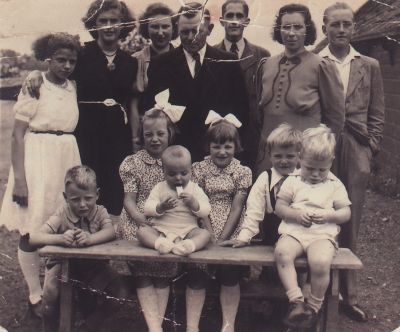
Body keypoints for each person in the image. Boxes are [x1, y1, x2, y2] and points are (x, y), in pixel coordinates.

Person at [24, 0, 138, 216]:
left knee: (115, 186)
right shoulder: (82, 54)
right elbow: (56, 72)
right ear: (93, 25)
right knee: (85, 187)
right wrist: (35, 73)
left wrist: (133, 138)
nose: (108, 26)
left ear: (124, 24)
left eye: (114, 21)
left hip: (117, 134)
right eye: (102, 21)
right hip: (86, 130)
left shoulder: (130, 61)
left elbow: (132, 101)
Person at [0, 33, 81, 318]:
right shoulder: (35, 85)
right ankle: (35, 295)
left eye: (72, 60)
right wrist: (19, 180)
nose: (67, 65)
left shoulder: (72, 86)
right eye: (60, 59)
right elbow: (17, 135)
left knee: (61, 225)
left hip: (66, 156)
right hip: (38, 159)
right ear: (48, 60)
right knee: (32, 228)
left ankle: (56, 291)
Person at [319, 2, 385, 322]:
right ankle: (318, 292)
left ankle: (349, 295)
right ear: (325, 29)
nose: (341, 30)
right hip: (325, 147)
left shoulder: (369, 64)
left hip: (356, 146)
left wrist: (370, 146)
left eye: (347, 24)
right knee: (322, 215)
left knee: (351, 221)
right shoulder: (318, 62)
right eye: (335, 25)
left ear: (354, 29)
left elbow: (377, 111)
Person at [145, 2, 249, 162]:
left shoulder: (228, 62)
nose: (190, 37)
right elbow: (152, 112)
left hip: (216, 155)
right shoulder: (161, 63)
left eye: (196, 31)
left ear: (209, 29)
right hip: (176, 157)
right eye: (184, 32)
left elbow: (242, 109)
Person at [29, 166, 125, 332]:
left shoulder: (100, 212)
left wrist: (90, 238)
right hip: (62, 266)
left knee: (121, 291)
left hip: (93, 267)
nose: (82, 204)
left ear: (97, 194)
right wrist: (59, 238)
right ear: (66, 197)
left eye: (88, 198)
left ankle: (89, 326)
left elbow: (111, 231)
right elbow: (34, 238)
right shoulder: (62, 213)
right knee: (50, 294)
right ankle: (49, 328)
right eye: (75, 199)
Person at [274, 125, 351, 328]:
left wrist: (329, 215)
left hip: (321, 234)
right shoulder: (292, 181)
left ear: (331, 162)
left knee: (320, 261)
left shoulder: (335, 184)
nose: (316, 174)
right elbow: (280, 207)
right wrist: (297, 215)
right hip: (295, 231)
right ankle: (296, 301)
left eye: (322, 170)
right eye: (310, 168)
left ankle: (314, 307)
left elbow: (346, 212)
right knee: (282, 253)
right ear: (300, 158)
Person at [255, 3, 345, 177]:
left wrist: (320, 154)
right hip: (268, 157)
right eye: (286, 27)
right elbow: (260, 114)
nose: (291, 32)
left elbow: (335, 117)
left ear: (307, 30)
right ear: (278, 30)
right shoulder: (266, 65)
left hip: (304, 159)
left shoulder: (321, 66)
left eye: (298, 27)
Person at [189, 112, 252, 332]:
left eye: (228, 146)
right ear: (208, 146)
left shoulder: (242, 171)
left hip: (231, 224)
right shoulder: (199, 169)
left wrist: (223, 237)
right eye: (216, 146)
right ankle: (192, 326)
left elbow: (237, 207)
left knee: (229, 273)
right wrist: (208, 232)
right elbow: (198, 202)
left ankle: (228, 325)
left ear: (236, 146)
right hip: (202, 220)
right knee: (197, 272)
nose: (222, 152)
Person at [117, 106, 179, 332]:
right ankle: (155, 328)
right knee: (143, 272)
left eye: (160, 134)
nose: (154, 139)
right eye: (148, 134)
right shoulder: (133, 163)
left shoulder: (175, 160)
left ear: (169, 133)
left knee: (163, 271)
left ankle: (156, 325)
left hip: (167, 219)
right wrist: (141, 219)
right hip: (139, 220)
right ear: (141, 135)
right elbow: (129, 200)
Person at [222, 123, 301, 248]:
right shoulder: (265, 178)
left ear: (299, 156)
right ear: (269, 155)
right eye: (278, 156)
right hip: (272, 241)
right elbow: (254, 210)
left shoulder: (305, 178)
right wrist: (244, 237)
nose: (284, 161)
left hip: (301, 238)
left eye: (290, 156)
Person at [214, 0, 270, 169]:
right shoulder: (212, 55)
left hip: (252, 134)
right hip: (220, 136)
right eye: (229, 15)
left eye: (239, 16)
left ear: (246, 21)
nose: (234, 20)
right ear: (222, 20)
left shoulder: (262, 55)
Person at [138, 145, 211, 256]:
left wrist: (194, 203)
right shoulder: (160, 187)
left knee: (205, 234)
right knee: (142, 231)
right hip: (161, 229)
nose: (178, 178)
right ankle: (160, 244)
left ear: (191, 170)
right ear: (163, 171)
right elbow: (147, 208)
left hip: (188, 230)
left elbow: (206, 210)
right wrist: (161, 207)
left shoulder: (194, 188)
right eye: (172, 174)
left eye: (183, 173)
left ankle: (188, 245)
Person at [130, 3, 179, 151]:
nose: (160, 32)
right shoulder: (136, 60)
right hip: (148, 135)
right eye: (154, 27)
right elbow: (133, 103)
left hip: (177, 132)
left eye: (165, 26)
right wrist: (135, 137)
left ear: (173, 28)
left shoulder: (182, 58)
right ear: (146, 29)